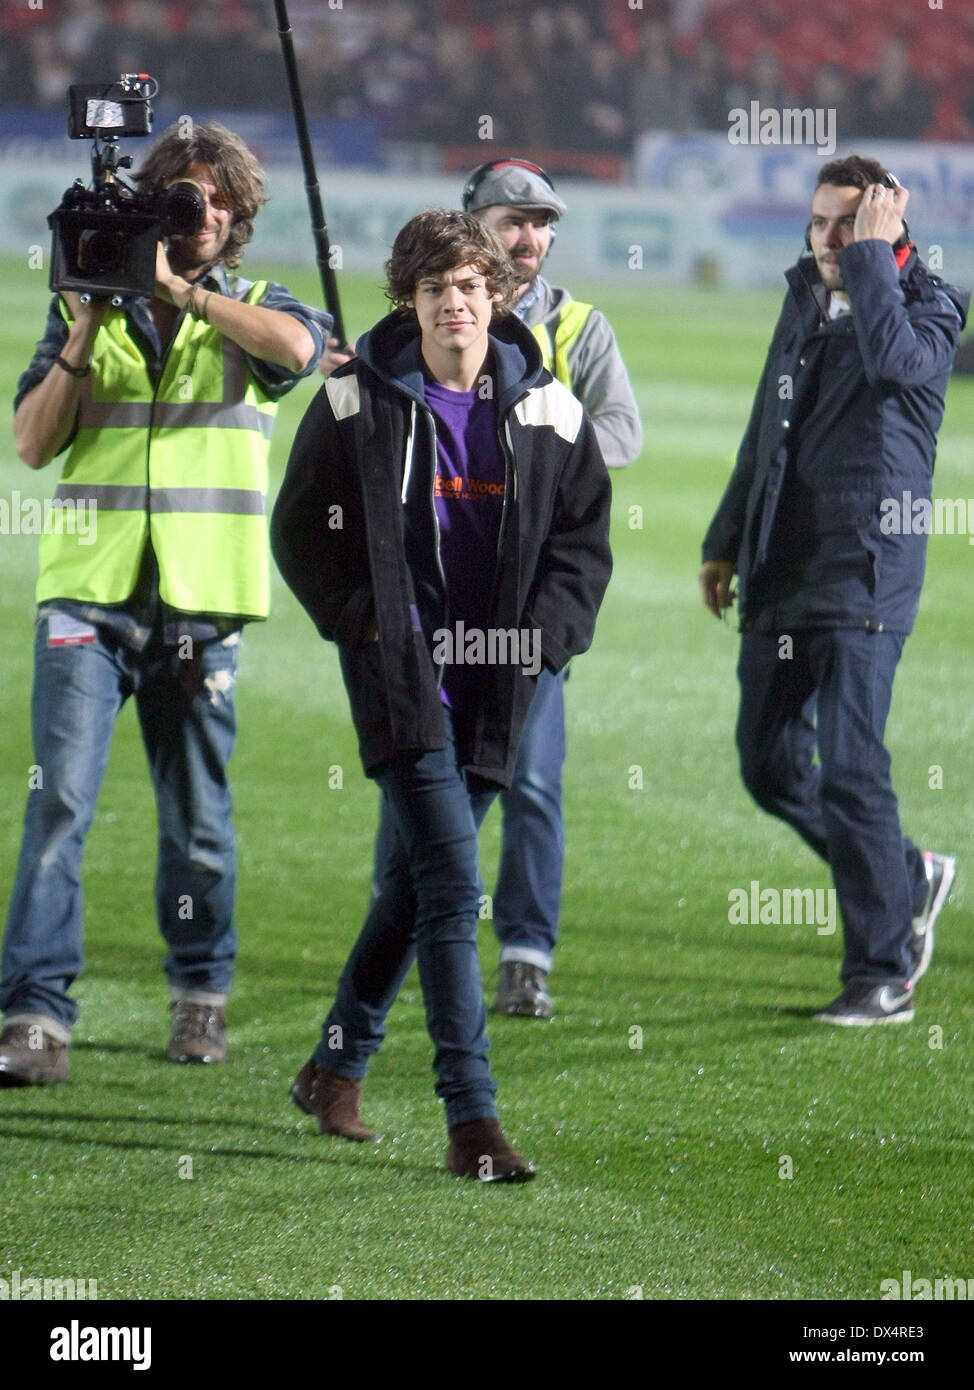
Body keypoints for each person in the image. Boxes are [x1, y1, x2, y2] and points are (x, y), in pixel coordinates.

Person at [271, 209, 612, 1178]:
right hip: (404, 681)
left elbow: (581, 544)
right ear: (409, 302)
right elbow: (301, 530)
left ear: (495, 296)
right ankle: (473, 1120)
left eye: (468, 287)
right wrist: (360, 620)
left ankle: (332, 1068)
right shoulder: (353, 401)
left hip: (502, 683)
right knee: (456, 890)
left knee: (413, 884)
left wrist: (545, 643)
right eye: (433, 291)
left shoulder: (549, 407)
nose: (453, 305)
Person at [0, 122, 329, 1085]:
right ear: (151, 209)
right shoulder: (82, 309)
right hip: (89, 593)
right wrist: (91, 326)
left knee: (196, 817)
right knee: (57, 805)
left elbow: (299, 352)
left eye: (221, 203)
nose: (206, 214)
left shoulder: (261, 303)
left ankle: (199, 998)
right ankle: (34, 1015)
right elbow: (30, 445)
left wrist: (181, 293)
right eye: (186, 199)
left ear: (240, 221)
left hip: (200, 599)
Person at [699, 155, 965, 1026]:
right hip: (783, 563)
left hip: (865, 568)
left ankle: (881, 971)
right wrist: (726, 539)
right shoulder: (805, 297)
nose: (826, 238)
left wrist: (871, 262)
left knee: (852, 769)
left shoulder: (930, 305)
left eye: (847, 224)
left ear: (888, 226)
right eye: (818, 222)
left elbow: (896, 366)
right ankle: (907, 872)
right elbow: (764, 421)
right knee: (769, 765)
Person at [462, 157, 642, 1017]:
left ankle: (525, 954)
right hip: (444, 582)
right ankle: (431, 931)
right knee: (432, 774)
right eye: (512, 220)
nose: (530, 237)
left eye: (540, 223)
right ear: (476, 226)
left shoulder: (580, 327)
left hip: (533, 591)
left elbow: (623, 431)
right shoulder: (438, 313)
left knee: (530, 778)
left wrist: (537, 462)